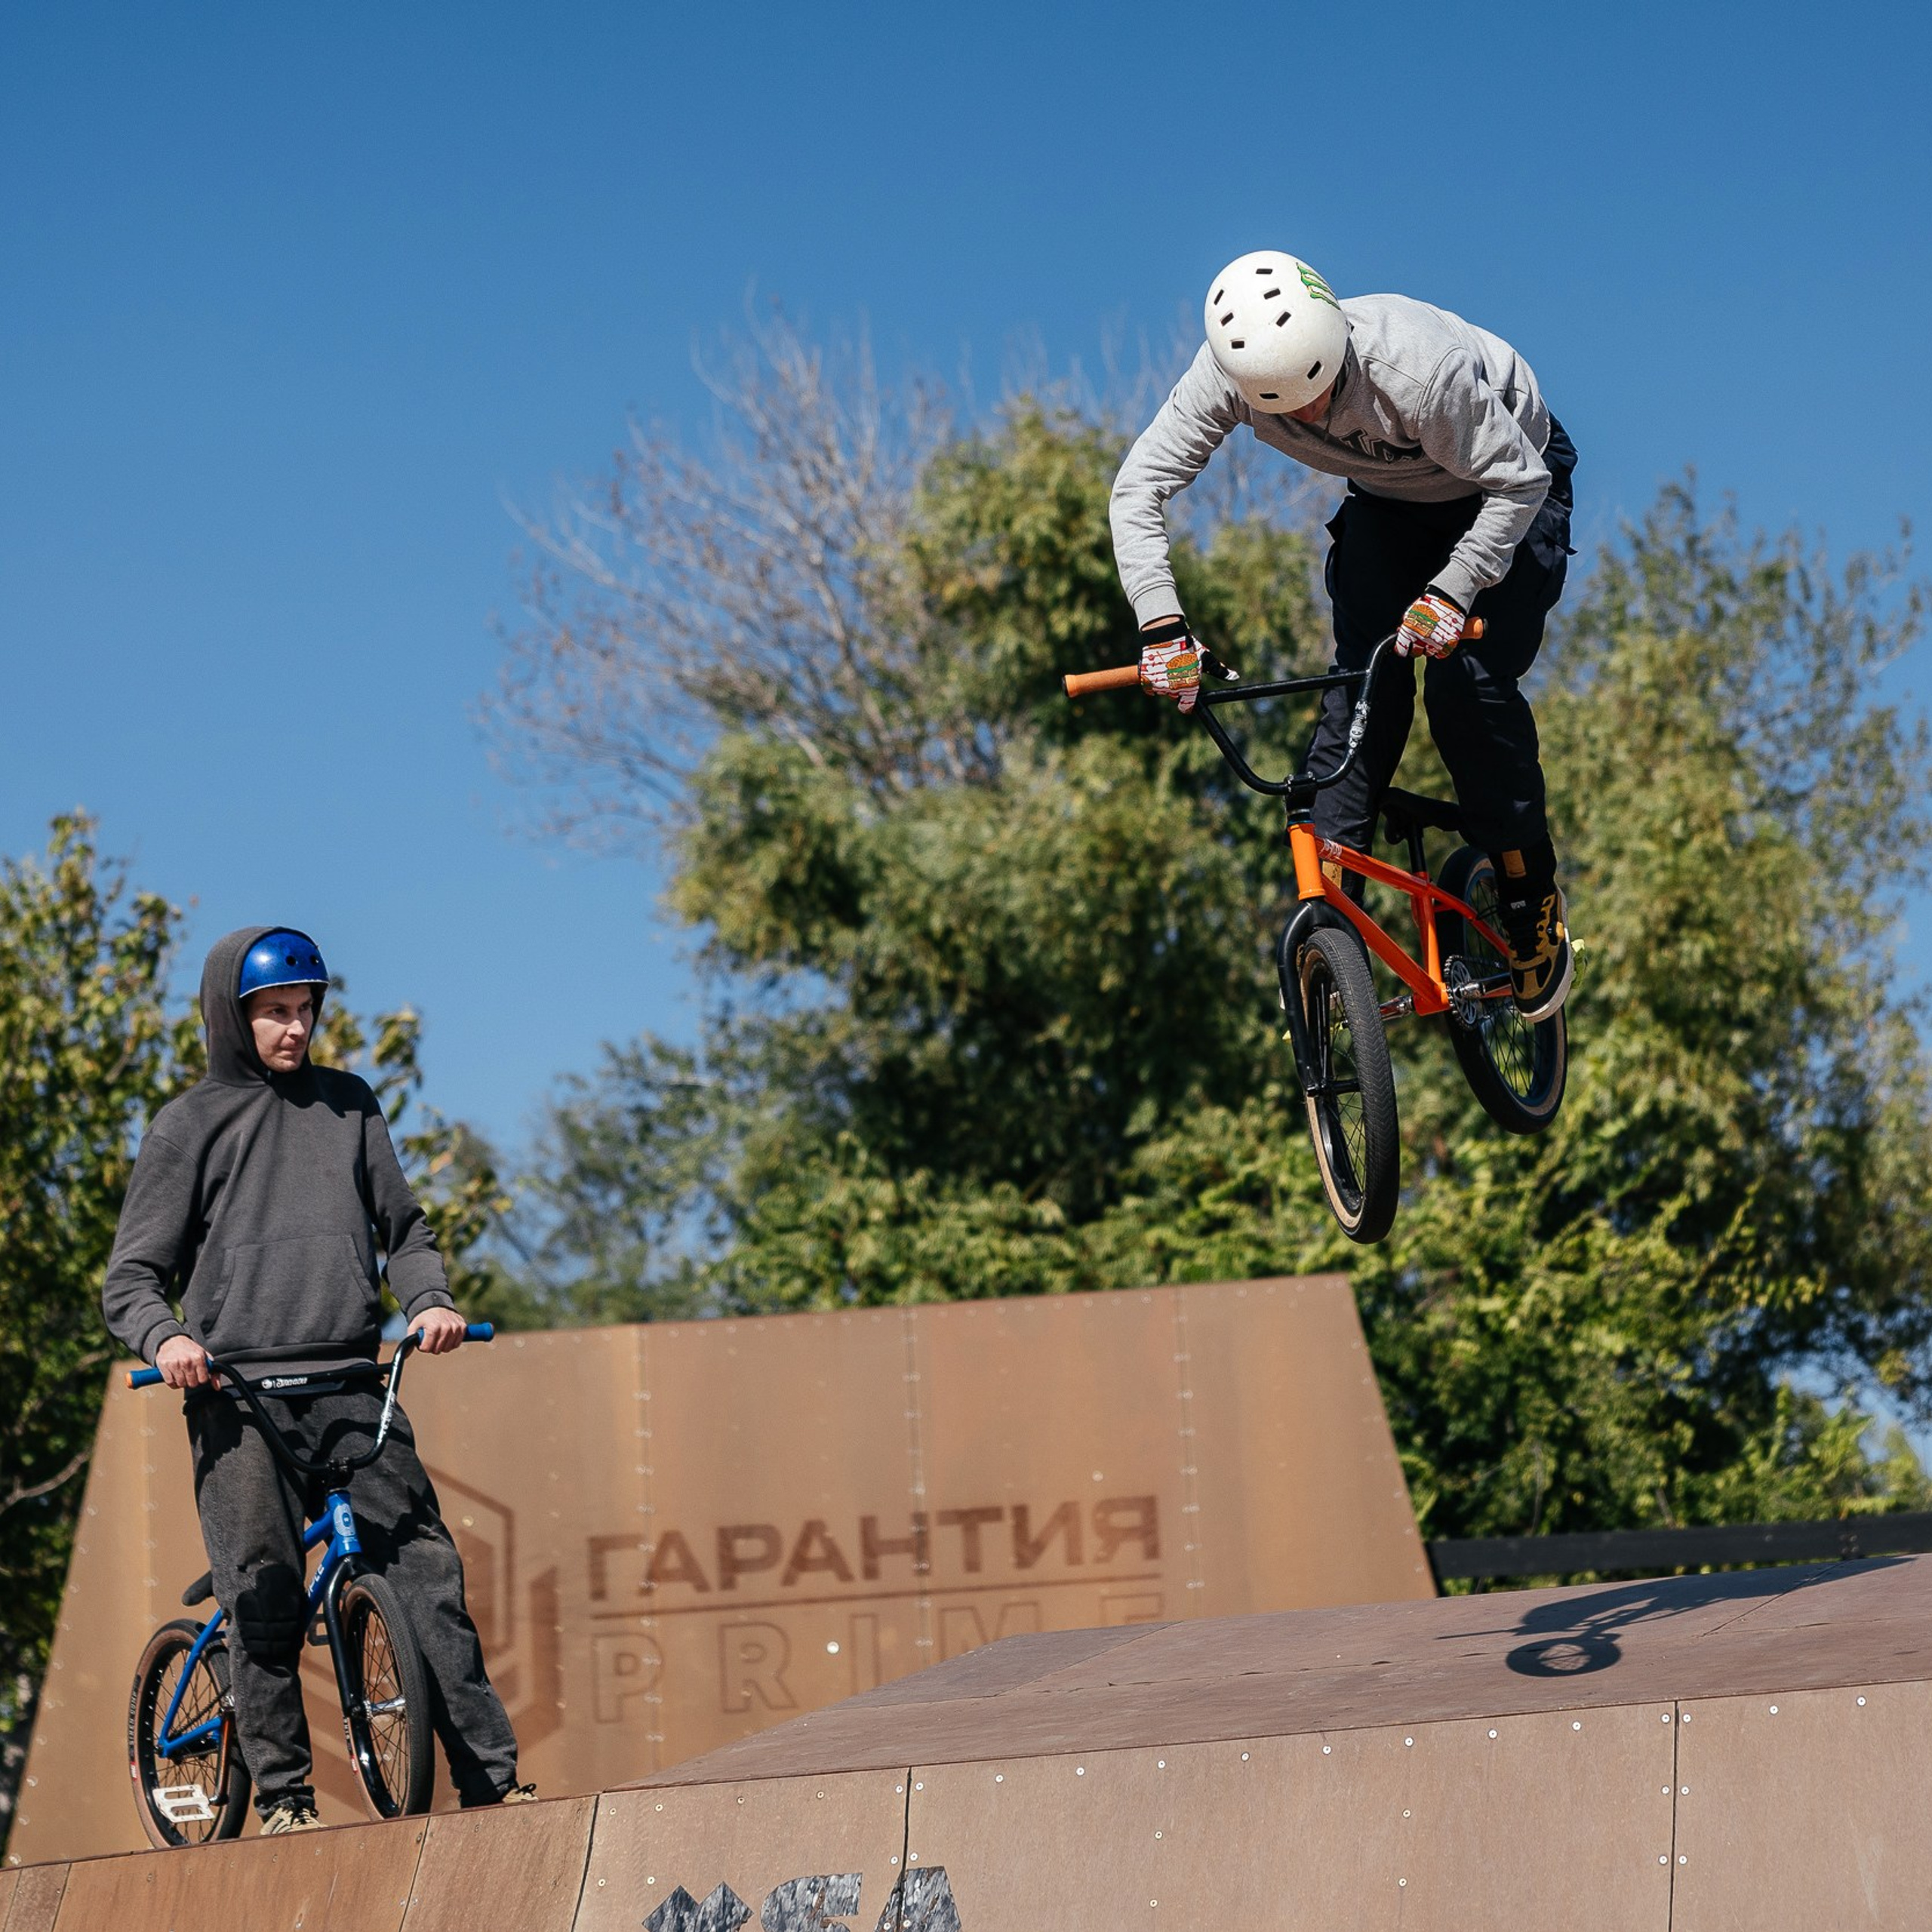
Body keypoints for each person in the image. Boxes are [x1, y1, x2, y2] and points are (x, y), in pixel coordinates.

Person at [102, 926, 531, 1833]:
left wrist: (429, 1301)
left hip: (349, 1380)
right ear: (233, 1015)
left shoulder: (351, 1105)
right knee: (261, 1592)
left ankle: (492, 1783)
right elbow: (131, 1280)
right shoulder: (188, 1126)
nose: (294, 1029)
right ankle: (287, 1800)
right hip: (235, 1396)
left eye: (305, 1011)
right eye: (274, 1013)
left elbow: (404, 1229)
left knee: (428, 1576)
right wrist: (167, 1339)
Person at [1111, 251, 1577, 1019]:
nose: (1308, 420)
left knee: (1466, 686)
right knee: (1360, 693)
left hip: (1509, 485)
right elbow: (1139, 486)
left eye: (1319, 397)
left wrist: (1453, 591)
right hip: (1392, 505)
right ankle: (1333, 929)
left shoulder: (1417, 367)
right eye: (1284, 410)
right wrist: (1161, 625)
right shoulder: (1224, 376)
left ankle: (1528, 895)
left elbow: (1519, 481)